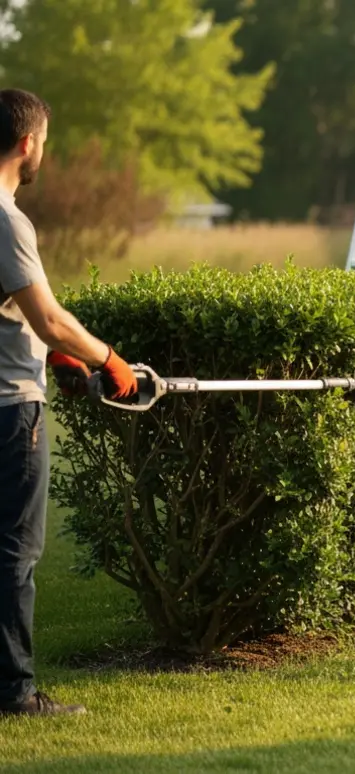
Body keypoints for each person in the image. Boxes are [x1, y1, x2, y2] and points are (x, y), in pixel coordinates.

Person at [0, 88, 138, 717]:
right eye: (45, 143)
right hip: (9, 411)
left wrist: (46, 352)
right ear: (28, 142)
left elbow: (19, 315)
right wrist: (106, 359)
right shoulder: (6, 217)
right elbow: (51, 317)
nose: (43, 153)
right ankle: (13, 693)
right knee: (14, 555)